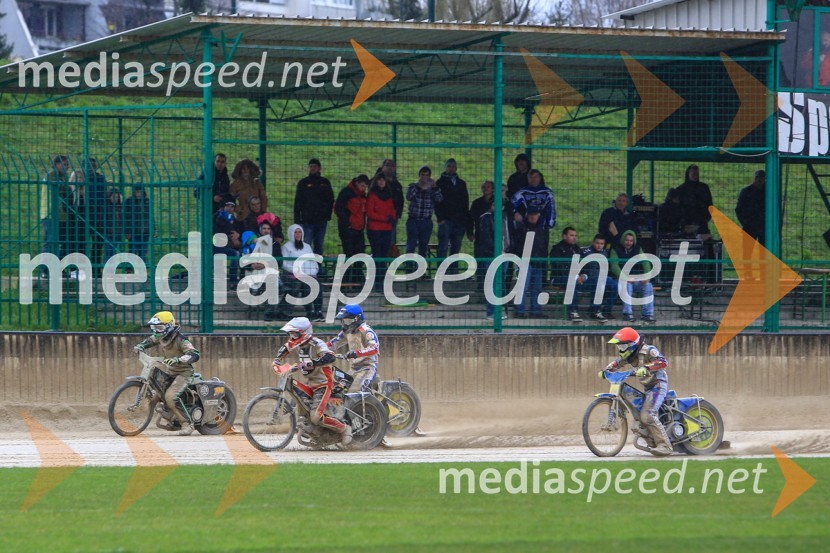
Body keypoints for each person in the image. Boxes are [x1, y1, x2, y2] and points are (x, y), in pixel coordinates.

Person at [273, 317, 352, 446]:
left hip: (324, 384)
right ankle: (316, 432)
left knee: (315, 416)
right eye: (290, 334)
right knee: (304, 411)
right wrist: (276, 361)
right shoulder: (296, 343)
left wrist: (314, 363)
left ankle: (344, 428)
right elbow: (285, 348)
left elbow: (330, 356)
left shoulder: (317, 343)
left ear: (304, 333)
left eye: (295, 334)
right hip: (310, 383)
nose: (292, 337)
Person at [602, 327, 672, 456]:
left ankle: (665, 446)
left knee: (647, 415)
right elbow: (617, 363)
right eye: (620, 347)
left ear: (632, 345)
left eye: (623, 347)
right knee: (637, 424)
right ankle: (653, 443)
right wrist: (606, 370)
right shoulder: (629, 356)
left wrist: (647, 367)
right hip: (647, 388)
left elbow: (663, 362)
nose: (621, 350)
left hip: (658, 385)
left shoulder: (649, 350)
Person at [133, 311, 201, 436]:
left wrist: (178, 359)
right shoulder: (161, 337)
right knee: (156, 394)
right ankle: (170, 416)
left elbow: (194, 354)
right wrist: (141, 346)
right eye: (154, 328)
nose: (157, 331)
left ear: (169, 326)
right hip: (170, 371)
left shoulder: (182, 340)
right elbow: (150, 340)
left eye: (159, 328)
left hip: (184, 373)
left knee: (170, 397)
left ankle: (187, 424)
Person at [468, 180, 510, 320]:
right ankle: (492, 312)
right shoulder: (486, 218)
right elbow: (486, 238)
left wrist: (508, 250)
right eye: (494, 204)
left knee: (500, 283)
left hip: (504, 255)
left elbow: (507, 236)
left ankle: (499, 310)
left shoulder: (504, 219)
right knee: (493, 283)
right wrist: (498, 251)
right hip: (492, 256)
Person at [327, 304, 379, 393]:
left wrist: (356, 353)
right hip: (354, 368)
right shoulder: (347, 332)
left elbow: (374, 348)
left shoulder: (366, 331)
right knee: (339, 390)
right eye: (344, 321)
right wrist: (321, 348)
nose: (346, 324)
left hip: (367, 368)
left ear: (357, 319)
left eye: (348, 320)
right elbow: (335, 342)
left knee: (354, 392)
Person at [280, 224, 324, 322]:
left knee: (318, 285)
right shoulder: (286, 247)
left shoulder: (307, 247)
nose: (298, 234)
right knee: (305, 286)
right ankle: (309, 311)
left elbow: (313, 262)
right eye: (295, 232)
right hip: (293, 275)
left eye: (300, 232)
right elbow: (284, 264)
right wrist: (297, 271)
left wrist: (312, 272)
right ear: (291, 233)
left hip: (308, 274)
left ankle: (318, 311)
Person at [610, 230, 655, 324]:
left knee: (648, 286)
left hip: (635, 279)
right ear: (623, 240)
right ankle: (627, 313)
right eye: (627, 240)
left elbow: (645, 262)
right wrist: (626, 278)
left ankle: (647, 314)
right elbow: (614, 266)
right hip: (622, 279)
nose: (629, 242)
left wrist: (646, 277)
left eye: (631, 240)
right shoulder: (615, 249)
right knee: (627, 286)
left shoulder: (637, 249)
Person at [435, 158, 470, 271]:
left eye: (453, 166)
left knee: (456, 247)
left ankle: (453, 271)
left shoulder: (461, 183)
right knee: (443, 246)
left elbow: (465, 202)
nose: (451, 168)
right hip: (445, 220)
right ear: (445, 167)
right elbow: (436, 202)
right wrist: (440, 217)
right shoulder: (439, 183)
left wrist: (464, 218)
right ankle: (441, 271)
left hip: (459, 220)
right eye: (449, 166)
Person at [294, 158, 334, 256]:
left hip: (321, 220)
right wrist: (297, 218)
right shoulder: (303, 183)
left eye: (315, 166)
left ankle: (318, 269)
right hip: (307, 220)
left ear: (319, 168)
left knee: (319, 245)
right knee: (306, 244)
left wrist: (327, 215)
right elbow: (298, 201)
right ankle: (305, 268)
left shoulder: (325, 182)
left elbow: (330, 200)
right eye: (311, 166)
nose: (312, 168)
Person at [514, 206, 549, 319]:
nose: (533, 216)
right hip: (524, 261)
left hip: (538, 262)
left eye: (535, 214)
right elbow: (517, 245)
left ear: (539, 215)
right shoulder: (521, 228)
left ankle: (536, 310)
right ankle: (520, 310)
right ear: (527, 215)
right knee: (523, 287)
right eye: (530, 214)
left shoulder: (543, 229)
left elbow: (544, 246)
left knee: (537, 288)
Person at [335, 174, 369, 283]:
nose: (363, 188)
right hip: (347, 229)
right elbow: (338, 208)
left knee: (360, 254)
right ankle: (346, 278)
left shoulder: (363, 196)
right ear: (357, 183)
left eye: (365, 186)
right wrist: (347, 224)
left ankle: (357, 277)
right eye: (362, 186)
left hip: (359, 229)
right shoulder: (346, 192)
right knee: (349, 254)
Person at [550, 226, 587, 323]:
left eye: (575, 235)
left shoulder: (577, 249)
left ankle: (597, 311)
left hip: (577, 278)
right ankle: (573, 311)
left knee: (602, 282)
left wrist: (584, 275)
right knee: (572, 282)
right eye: (571, 235)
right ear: (564, 236)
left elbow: (585, 265)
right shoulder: (557, 249)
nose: (574, 237)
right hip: (559, 278)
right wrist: (575, 277)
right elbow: (558, 267)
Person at [405, 166, 443, 260]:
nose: (425, 177)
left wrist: (435, 188)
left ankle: (421, 271)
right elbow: (409, 197)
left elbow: (439, 199)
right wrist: (420, 188)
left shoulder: (433, 189)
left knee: (423, 247)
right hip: (413, 220)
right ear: (419, 175)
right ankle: (409, 270)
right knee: (411, 246)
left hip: (426, 221)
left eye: (427, 175)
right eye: (423, 174)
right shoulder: (413, 186)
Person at [366, 173, 397, 286]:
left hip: (386, 229)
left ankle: (383, 280)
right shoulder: (372, 195)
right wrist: (385, 218)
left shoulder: (389, 195)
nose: (381, 182)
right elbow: (370, 212)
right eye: (379, 180)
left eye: (383, 180)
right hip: (375, 229)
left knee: (384, 255)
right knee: (377, 254)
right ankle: (377, 280)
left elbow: (392, 209)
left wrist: (392, 217)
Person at [581, 234, 617, 321]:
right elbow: (580, 267)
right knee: (598, 283)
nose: (599, 245)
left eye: (601, 244)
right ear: (593, 242)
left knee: (616, 285)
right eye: (597, 243)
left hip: (602, 278)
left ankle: (607, 310)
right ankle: (595, 310)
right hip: (588, 279)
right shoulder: (585, 252)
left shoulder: (605, 253)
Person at [676, 165, 713, 236]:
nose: (696, 176)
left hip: (701, 222)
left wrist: (706, 218)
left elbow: (709, 204)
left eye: (697, 174)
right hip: (686, 223)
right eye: (693, 174)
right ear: (688, 174)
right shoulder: (681, 189)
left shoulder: (704, 188)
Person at [374, 159, 404, 245]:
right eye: (387, 165)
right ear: (382, 167)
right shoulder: (376, 181)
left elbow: (400, 199)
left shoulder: (396, 183)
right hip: (378, 217)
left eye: (392, 166)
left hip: (392, 217)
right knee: (378, 241)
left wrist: (398, 213)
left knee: (390, 241)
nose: (390, 168)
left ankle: (388, 256)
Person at [123, 186, 151, 263]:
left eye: (140, 192)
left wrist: (153, 229)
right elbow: (126, 217)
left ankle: (141, 271)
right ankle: (129, 270)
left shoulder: (147, 201)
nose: (138, 194)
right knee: (133, 252)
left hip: (145, 232)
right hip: (134, 232)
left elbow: (150, 216)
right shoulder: (129, 201)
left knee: (143, 253)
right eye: (137, 192)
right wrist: (127, 231)